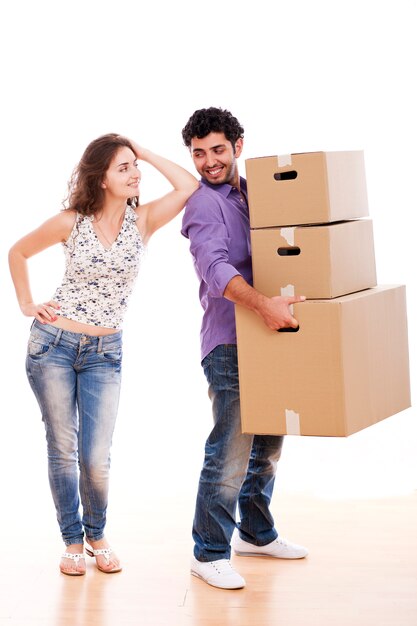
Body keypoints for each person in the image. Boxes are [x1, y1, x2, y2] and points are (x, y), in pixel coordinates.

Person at [8, 134, 198, 576]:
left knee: (96, 455)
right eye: (124, 168)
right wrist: (26, 303)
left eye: (136, 166)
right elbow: (17, 251)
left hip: (105, 352)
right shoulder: (70, 222)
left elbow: (188, 187)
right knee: (63, 448)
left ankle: (97, 534)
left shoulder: (143, 220)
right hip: (53, 346)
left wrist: (144, 151)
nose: (135, 174)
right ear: (102, 179)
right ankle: (73, 540)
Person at [181, 108, 308, 590]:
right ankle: (208, 551)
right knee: (231, 447)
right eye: (198, 153)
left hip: (270, 336)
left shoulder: (257, 194)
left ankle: (255, 532)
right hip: (230, 342)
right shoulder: (204, 206)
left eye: (216, 149)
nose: (209, 162)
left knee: (269, 443)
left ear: (238, 144)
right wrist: (262, 306)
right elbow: (213, 270)